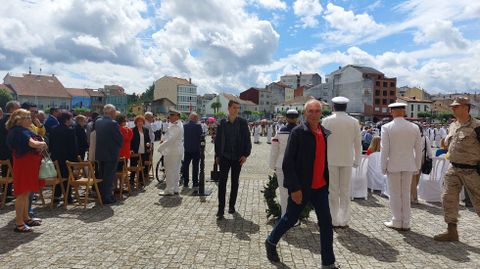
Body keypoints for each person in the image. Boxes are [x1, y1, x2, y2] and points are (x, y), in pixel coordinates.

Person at [265, 99, 337, 269]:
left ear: (321, 113)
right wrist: (295, 188)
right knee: (290, 218)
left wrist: (327, 182)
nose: (313, 114)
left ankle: (328, 263)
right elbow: (288, 162)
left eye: (317, 111)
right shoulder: (298, 132)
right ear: (305, 113)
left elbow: (323, 160)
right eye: (310, 111)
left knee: (326, 222)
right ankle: (271, 241)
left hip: (320, 187)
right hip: (302, 187)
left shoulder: (324, 133)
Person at [434, 97, 480, 241]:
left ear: (466, 108)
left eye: (456, 107)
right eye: (452, 107)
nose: (452, 109)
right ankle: (451, 230)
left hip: (472, 170)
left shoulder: (477, 126)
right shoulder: (453, 125)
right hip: (454, 168)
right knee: (448, 198)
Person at [321, 96, 362, 229]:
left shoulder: (326, 121)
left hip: (330, 159)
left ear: (333, 106)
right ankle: (343, 220)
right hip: (347, 159)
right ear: (346, 107)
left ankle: (333, 219)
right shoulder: (354, 122)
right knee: (345, 190)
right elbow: (357, 144)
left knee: (332, 190)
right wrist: (357, 160)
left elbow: (322, 142)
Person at [380, 102, 422, 231]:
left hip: (393, 164)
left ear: (391, 112)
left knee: (395, 194)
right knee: (405, 193)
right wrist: (417, 165)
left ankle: (397, 220)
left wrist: (383, 166)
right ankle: (406, 222)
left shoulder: (387, 127)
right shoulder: (414, 127)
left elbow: (384, 149)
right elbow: (419, 149)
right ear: (404, 111)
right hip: (409, 164)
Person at [6, 109, 48, 232]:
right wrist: (42, 143)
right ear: (19, 120)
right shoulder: (19, 131)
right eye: (28, 117)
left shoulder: (21, 130)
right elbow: (33, 143)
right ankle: (19, 223)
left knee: (26, 192)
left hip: (27, 164)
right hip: (24, 165)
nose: (31, 119)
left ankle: (26, 217)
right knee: (22, 193)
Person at [214, 100, 252, 219]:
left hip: (237, 157)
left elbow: (247, 139)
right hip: (224, 157)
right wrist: (217, 155)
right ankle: (221, 209)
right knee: (222, 183)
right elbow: (218, 141)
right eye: (234, 107)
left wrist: (246, 155)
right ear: (229, 108)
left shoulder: (242, 122)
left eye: (238, 108)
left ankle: (232, 206)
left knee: (235, 182)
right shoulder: (222, 123)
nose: (236, 110)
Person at [269, 109, 299, 217]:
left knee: (283, 192)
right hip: (296, 166)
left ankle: (284, 216)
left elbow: (274, 150)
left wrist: (272, 165)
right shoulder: (301, 131)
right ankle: (294, 217)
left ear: (286, 118)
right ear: (297, 118)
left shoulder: (280, 131)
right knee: (295, 192)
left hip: (281, 163)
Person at [95, 104, 123, 204]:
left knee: (102, 175)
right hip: (111, 154)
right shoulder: (113, 123)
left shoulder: (98, 121)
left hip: (100, 154)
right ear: (112, 112)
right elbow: (119, 139)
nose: (115, 114)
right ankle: (107, 197)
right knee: (109, 176)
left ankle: (102, 195)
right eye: (115, 112)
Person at [49, 110, 77, 204]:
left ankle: (56, 196)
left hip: (55, 156)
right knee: (67, 178)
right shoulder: (70, 131)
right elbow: (73, 147)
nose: (72, 120)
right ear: (67, 120)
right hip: (67, 157)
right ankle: (68, 197)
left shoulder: (53, 129)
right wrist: (75, 160)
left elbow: (51, 144)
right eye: (71, 119)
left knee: (58, 177)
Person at [158, 108, 184, 195]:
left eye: (172, 115)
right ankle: (175, 188)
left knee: (169, 170)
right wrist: (163, 139)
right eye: (170, 115)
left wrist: (160, 148)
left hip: (172, 151)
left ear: (177, 116)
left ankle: (169, 190)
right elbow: (167, 135)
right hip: (176, 151)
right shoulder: (176, 124)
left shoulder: (176, 126)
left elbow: (170, 140)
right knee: (176, 170)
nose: (170, 117)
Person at [0, 101, 20, 201]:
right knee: (12, 172)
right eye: (18, 108)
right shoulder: (11, 121)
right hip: (11, 150)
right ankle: (9, 192)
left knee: (5, 172)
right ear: (12, 109)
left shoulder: (2, 119)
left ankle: (7, 192)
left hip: (3, 151)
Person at [411, 123, 432, 204]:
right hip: (421, 159)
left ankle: (413, 197)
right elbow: (429, 151)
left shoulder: (411, 137)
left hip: (411, 159)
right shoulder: (425, 138)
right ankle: (413, 196)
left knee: (412, 179)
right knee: (416, 179)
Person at [182, 112, 203, 189]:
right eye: (197, 118)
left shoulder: (185, 126)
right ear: (194, 118)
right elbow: (201, 137)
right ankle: (195, 182)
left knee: (186, 166)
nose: (198, 119)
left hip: (187, 148)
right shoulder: (198, 126)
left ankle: (185, 182)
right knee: (195, 167)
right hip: (196, 149)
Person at [130, 115, 151, 189]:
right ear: (136, 122)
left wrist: (148, 144)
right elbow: (130, 141)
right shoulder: (132, 130)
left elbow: (148, 139)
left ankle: (141, 181)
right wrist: (131, 149)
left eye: (141, 121)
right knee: (133, 165)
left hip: (143, 150)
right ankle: (131, 180)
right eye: (138, 121)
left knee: (142, 166)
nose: (140, 123)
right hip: (135, 151)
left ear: (143, 122)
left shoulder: (146, 130)